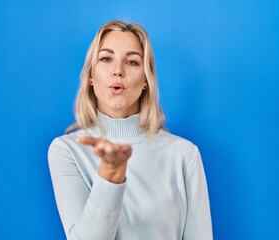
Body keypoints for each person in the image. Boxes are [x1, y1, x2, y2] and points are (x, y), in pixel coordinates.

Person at [48, 20, 212, 240]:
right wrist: (110, 176)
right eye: (106, 59)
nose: (118, 71)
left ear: (146, 79)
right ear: (90, 77)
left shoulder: (184, 154)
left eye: (132, 62)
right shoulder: (66, 150)